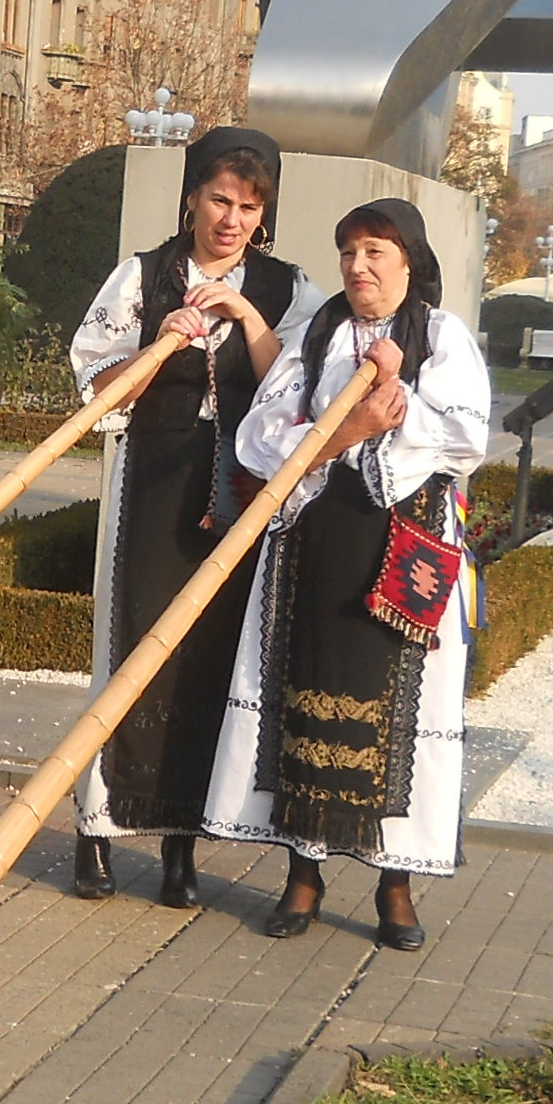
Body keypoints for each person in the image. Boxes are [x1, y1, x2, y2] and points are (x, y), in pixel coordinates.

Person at [201, 198, 492, 948]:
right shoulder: (319, 332)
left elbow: (466, 433)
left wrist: (397, 409)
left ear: (408, 262)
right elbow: (261, 432)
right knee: (305, 695)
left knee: (398, 714)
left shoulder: (441, 335)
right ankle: (304, 873)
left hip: (405, 549)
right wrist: (342, 429)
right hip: (316, 544)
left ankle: (395, 888)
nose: (358, 268)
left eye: (375, 254)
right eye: (349, 253)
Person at [66, 128, 325, 906]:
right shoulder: (143, 276)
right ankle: (97, 831)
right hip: (153, 487)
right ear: (191, 197)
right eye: (219, 199)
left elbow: (303, 385)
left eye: (249, 206)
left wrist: (246, 317)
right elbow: (96, 383)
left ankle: (182, 844)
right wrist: (158, 339)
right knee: (131, 650)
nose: (232, 218)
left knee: (213, 659)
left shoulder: (287, 288)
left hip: (238, 499)